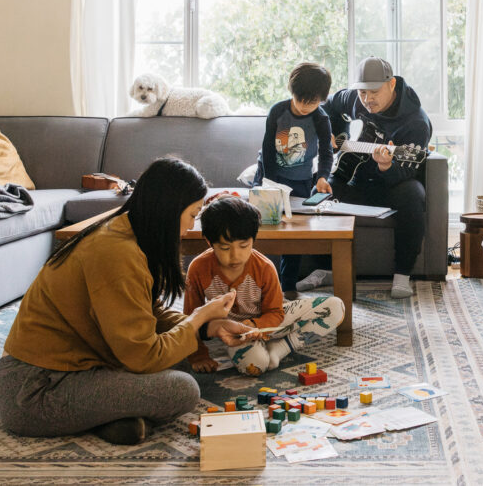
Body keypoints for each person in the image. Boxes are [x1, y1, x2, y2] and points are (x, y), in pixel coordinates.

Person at [0, 157, 261, 446]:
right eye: (192, 214)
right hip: (35, 390)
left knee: (181, 360)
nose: (191, 224)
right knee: (182, 389)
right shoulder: (116, 253)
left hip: (79, 366)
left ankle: (114, 417)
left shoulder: (129, 230)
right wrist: (198, 317)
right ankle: (108, 416)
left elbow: (147, 311)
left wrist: (210, 326)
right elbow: (144, 356)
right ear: (169, 210)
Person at [183, 195, 344, 375]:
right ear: (209, 242)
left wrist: (254, 324)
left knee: (336, 307)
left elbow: (275, 313)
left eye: (244, 246)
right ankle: (266, 351)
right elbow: (191, 317)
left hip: (272, 321)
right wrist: (198, 355)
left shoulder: (264, 267)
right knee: (256, 367)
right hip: (237, 334)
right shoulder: (198, 268)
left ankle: (281, 349)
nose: (235, 256)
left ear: (254, 239)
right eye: (225, 248)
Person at [317, 56, 432, 299]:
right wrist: (336, 135)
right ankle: (325, 268)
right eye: (362, 93)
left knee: (413, 193)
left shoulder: (416, 122)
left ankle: (402, 274)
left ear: (391, 84)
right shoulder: (355, 99)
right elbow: (328, 108)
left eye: (374, 92)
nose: (368, 100)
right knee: (325, 188)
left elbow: (408, 171)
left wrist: (387, 166)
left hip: (393, 187)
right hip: (356, 180)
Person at [252, 62, 334, 293]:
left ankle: (286, 288)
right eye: (303, 101)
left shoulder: (321, 119)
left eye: (314, 102)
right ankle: (258, 284)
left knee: (293, 238)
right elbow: (268, 148)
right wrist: (269, 183)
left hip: (300, 181)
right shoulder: (278, 111)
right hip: (270, 177)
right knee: (260, 228)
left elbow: (327, 152)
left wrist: (322, 177)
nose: (307, 107)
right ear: (292, 92)